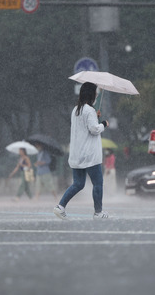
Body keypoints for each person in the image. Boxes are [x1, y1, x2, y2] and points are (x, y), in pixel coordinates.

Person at [53, 82, 109, 220]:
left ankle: (60, 207)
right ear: (91, 94)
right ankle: (98, 212)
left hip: (77, 154)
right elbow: (94, 129)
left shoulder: (76, 110)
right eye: (95, 93)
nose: (96, 95)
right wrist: (103, 124)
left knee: (78, 184)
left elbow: (86, 126)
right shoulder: (89, 110)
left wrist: (95, 117)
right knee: (97, 183)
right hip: (90, 155)